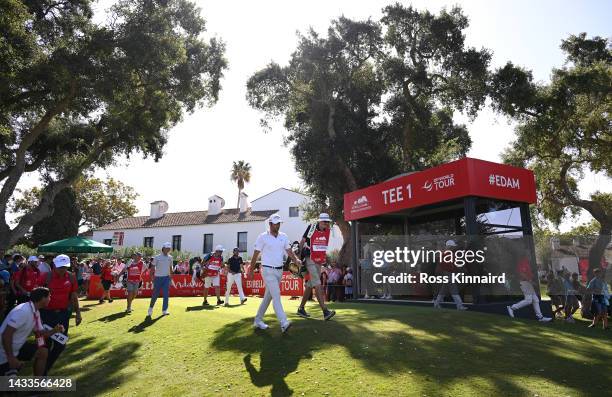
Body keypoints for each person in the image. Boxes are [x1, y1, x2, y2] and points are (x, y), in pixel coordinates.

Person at [249, 214, 301, 333]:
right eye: (275, 223)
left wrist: (296, 260)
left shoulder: (284, 236)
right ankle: (284, 323)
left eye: (279, 223)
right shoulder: (262, 237)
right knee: (276, 295)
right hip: (267, 270)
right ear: (270, 224)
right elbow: (256, 254)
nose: (277, 225)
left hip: (279, 270)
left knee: (268, 297)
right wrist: (251, 269)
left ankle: (258, 320)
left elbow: (289, 251)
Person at [0, 288, 64, 376]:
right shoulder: (23, 311)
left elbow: (40, 334)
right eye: (49, 297)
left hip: (17, 347)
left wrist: (55, 330)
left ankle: (38, 386)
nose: (50, 299)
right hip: (4, 351)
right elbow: (6, 335)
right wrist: (11, 358)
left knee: (43, 352)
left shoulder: (35, 312)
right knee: (9, 386)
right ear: (42, 298)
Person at [40, 254, 81, 375]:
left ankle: (44, 370)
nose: (62, 269)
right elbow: (37, 296)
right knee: (44, 346)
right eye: (60, 266)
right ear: (54, 265)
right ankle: (42, 375)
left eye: (65, 267)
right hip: (46, 314)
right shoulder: (46, 276)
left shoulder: (71, 277)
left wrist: (78, 313)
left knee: (60, 345)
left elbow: (74, 295)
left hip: (63, 315)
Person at [296, 213, 336, 320]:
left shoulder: (327, 231)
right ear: (319, 221)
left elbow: (323, 246)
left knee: (310, 284)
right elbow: (303, 241)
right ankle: (325, 311)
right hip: (309, 257)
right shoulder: (312, 227)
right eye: (324, 222)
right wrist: (298, 259)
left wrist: (326, 262)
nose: (326, 224)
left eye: (328, 222)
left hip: (319, 260)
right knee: (317, 283)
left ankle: (301, 308)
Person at [507, 255, 552, 322]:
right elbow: (521, 273)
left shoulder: (527, 263)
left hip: (528, 283)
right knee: (529, 300)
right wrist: (530, 280)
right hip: (524, 282)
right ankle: (511, 308)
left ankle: (540, 318)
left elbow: (528, 274)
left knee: (535, 300)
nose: (530, 257)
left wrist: (533, 280)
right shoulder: (523, 262)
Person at [433, 240, 468, 310]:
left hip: (449, 274)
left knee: (443, 291)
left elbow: (452, 264)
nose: (453, 248)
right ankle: (459, 306)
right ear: (449, 246)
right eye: (452, 246)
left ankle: (436, 304)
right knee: (454, 290)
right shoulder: (446, 254)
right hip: (448, 274)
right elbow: (443, 264)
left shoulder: (448, 253)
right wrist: (448, 270)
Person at [147, 242, 173, 317]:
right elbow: (152, 268)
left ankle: (164, 310)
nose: (168, 250)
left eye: (169, 248)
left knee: (166, 295)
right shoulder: (157, 257)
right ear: (163, 248)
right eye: (167, 248)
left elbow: (170, 268)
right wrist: (152, 277)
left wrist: (170, 278)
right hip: (158, 278)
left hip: (166, 278)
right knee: (155, 295)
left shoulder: (170, 257)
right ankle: (150, 308)